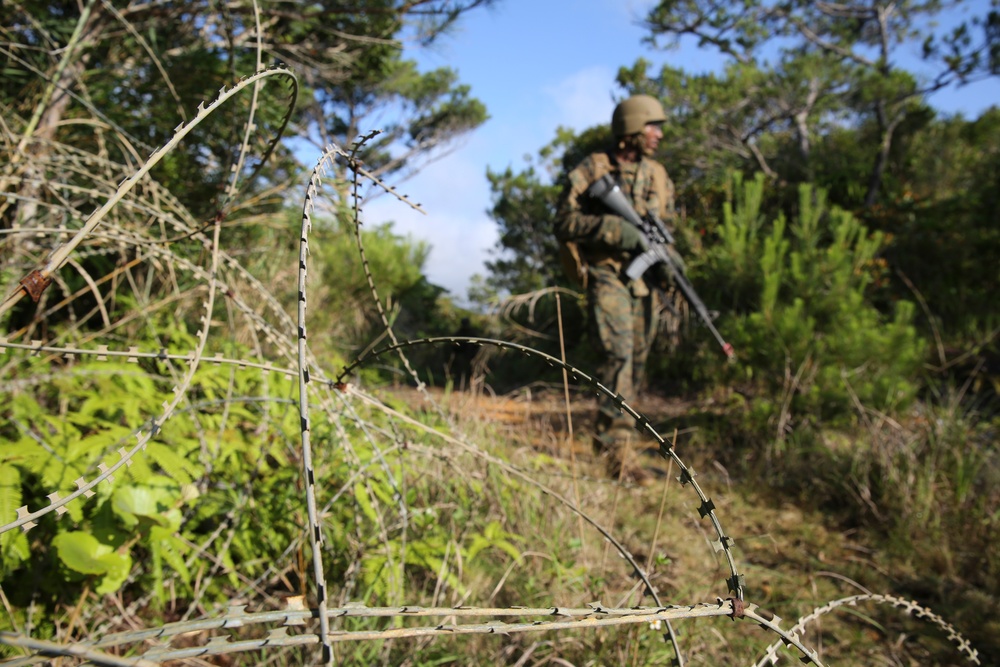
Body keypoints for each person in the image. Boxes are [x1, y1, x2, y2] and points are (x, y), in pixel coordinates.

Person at [554, 94, 676, 485]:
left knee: (636, 363)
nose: (658, 134)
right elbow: (563, 221)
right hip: (606, 274)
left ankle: (623, 446)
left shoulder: (657, 174)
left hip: (643, 282)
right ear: (632, 128)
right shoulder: (593, 168)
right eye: (652, 126)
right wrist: (614, 230)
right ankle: (616, 457)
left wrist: (670, 262)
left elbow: (663, 228)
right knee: (618, 357)